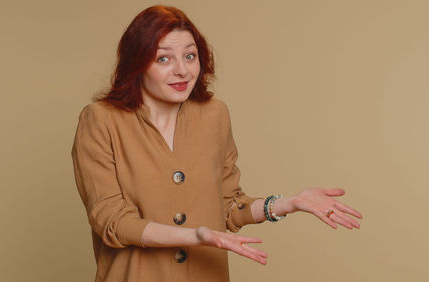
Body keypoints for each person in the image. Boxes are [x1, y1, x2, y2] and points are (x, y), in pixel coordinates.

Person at [71, 5, 362, 282]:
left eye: (190, 56)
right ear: (137, 63)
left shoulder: (214, 115)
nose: (182, 70)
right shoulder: (101, 120)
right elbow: (111, 222)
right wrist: (195, 235)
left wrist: (288, 203)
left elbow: (228, 205)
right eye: (164, 58)